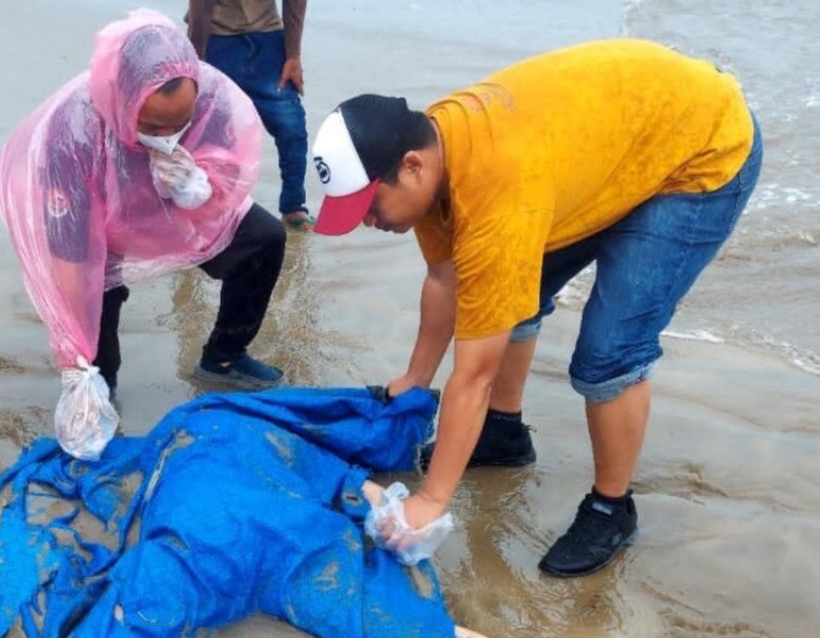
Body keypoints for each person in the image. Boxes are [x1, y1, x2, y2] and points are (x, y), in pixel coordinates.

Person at [308, 39, 762, 577]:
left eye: (369, 205)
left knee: (608, 353)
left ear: (411, 167)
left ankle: (611, 508)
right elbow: (445, 278)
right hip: (613, 144)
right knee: (506, 292)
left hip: (698, 151)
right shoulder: (431, 156)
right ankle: (504, 433)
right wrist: (416, 376)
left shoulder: (494, 192)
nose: (367, 221)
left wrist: (430, 500)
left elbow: (473, 375)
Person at [0, 386, 623, 638]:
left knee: (107, 634)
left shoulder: (182, 433)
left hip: (196, 542)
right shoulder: (271, 434)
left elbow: (124, 485)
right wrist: (398, 519)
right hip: (294, 540)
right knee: (410, 633)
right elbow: (358, 488)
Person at [0, 9, 287, 397]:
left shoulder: (212, 100)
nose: (167, 136)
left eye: (178, 124)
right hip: (105, 223)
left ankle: (224, 358)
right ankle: (100, 381)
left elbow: (228, 178)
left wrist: (198, 187)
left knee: (265, 239)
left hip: (180, 211)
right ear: (122, 97)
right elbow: (69, 253)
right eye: (151, 127)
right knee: (96, 294)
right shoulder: (71, 131)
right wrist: (75, 362)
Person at [187, 0, 313, 232]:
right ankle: (210, 214)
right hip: (216, 40)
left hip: (269, 41)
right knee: (213, 136)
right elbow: (200, 6)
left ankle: (293, 207)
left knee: (291, 127)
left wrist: (293, 56)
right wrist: (197, 63)